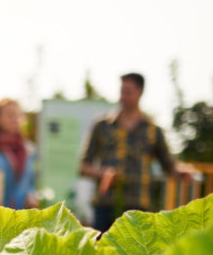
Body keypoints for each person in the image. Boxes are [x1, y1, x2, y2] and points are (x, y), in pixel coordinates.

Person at [79, 72, 186, 232]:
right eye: (121, 91)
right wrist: (104, 174)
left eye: (128, 92)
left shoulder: (152, 130)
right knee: (101, 252)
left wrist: (183, 172)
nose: (123, 96)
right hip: (106, 204)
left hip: (139, 205)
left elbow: (168, 165)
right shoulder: (102, 126)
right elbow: (83, 167)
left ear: (140, 93)